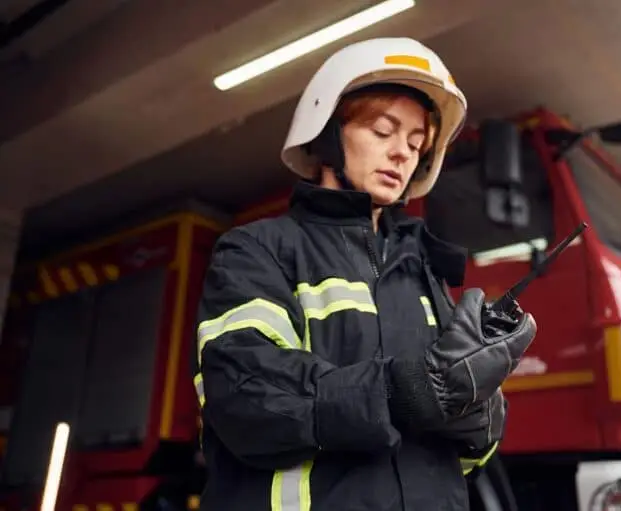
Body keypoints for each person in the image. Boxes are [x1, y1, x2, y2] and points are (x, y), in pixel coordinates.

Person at [193, 37, 538, 511]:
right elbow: (251, 398)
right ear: (328, 134)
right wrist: (417, 390)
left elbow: (465, 457)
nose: (403, 153)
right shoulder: (258, 251)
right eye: (382, 131)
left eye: (417, 144)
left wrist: (478, 401)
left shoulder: (424, 274)